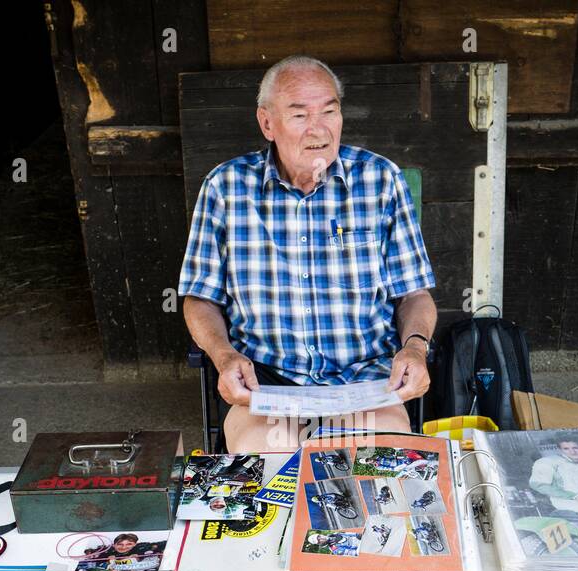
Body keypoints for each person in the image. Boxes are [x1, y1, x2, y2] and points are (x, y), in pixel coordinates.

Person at [179, 55, 437, 452]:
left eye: (329, 112)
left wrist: (415, 347)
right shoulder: (225, 187)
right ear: (267, 123)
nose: (319, 129)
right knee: (269, 481)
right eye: (299, 115)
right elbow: (200, 298)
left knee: (378, 481)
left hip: (364, 381)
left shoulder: (380, 179)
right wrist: (224, 356)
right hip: (265, 384)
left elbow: (415, 295)